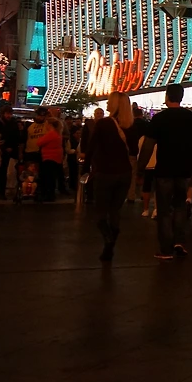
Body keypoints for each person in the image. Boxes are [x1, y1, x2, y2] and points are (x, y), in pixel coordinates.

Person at [147, 85, 192, 260]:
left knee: (164, 209)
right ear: (181, 97)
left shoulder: (159, 118)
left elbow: (148, 145)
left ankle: (166, 249)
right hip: (184, 168)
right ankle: (179, 241)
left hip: (164, 169)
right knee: (180, 205)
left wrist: (141, 168)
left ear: (167, 97)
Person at [83, 92, 133, 261]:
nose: (106, 105)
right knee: (115, 210)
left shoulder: (103, 124)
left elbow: (91, 147)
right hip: (125, 172)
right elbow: (134, 150)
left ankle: (108, 239)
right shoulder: (131, 125)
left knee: (100, 212)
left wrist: (86, 168)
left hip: (105, 172)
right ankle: (109, 247)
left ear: (114, 104)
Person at [36, 119, 64, 202]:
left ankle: (48, 195)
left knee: (47, 177)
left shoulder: (51, 134)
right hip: (56, 158)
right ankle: (50, 194)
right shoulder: (58, 134)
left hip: (49, 157)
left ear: (50, 125)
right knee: (51, 178)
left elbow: (39, 142)